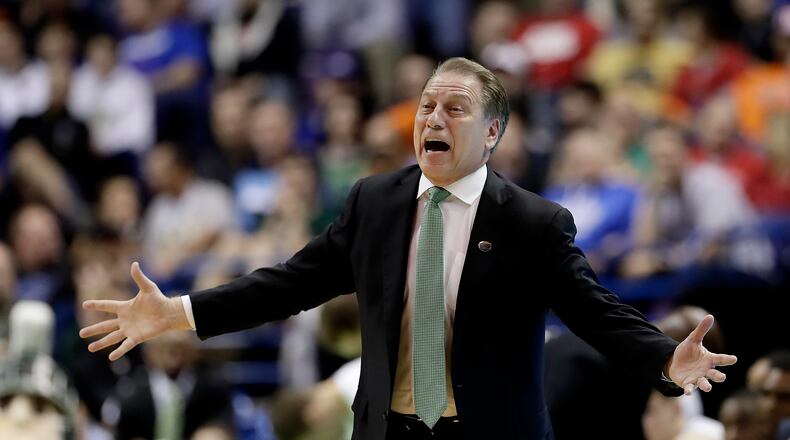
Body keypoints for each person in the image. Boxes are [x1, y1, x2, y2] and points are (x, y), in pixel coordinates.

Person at [80, 57, 737, 440]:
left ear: (492, 133)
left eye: (455, 109)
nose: (433, 119)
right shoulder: (374, 202)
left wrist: (664, 359)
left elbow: (595, 311)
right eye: (426, 107)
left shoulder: (533, 223)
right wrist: (180, 313)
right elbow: (290, 283)